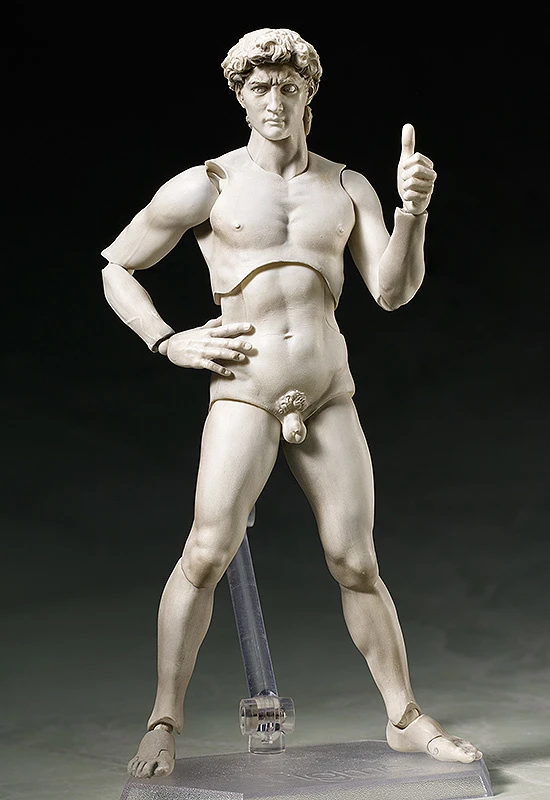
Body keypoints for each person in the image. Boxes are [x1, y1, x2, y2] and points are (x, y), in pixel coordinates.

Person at [101, 28, 481, 779]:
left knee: (355, 559)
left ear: (310, 95)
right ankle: (164, 720)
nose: (274, 101)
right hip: (244, 388)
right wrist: (166, 340)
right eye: (259, 88)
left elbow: (392, 292)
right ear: (240, 98)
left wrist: (412, 212)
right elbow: (117, 266)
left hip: (328, 390)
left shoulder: (346, 187)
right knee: (207, 551)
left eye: (288, 87)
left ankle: (404, 717)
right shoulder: (209, 184)